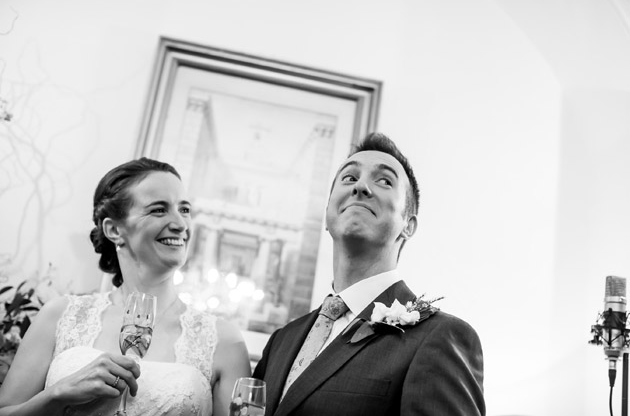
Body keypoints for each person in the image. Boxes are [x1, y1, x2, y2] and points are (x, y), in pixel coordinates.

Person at [253, 133, 485, 415]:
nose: (361, 186)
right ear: (328, 212)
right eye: (349, 178)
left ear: (408, 225)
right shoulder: (282, 340)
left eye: (384, 180)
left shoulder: (439, 337)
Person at [0, 157, 251, 416]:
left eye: (184, 209)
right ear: (114, 230)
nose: (180, 224)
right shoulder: (60, 316)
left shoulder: (224, 342)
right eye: (159, 209)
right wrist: (57, 395)